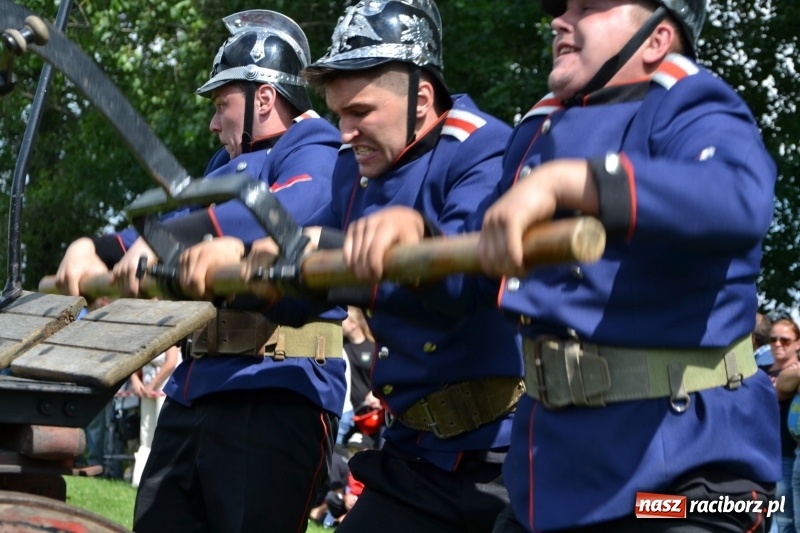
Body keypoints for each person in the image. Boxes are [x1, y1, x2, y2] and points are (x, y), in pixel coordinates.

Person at [336, 0, 781, 531]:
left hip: (687, 471)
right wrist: (418, 238)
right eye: (560, 7)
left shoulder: (691, 101)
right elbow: (472, 280)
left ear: (657, 39)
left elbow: (736, 198)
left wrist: (573, 183)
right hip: (552, 469)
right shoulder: (538, 131)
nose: (559, 20)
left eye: (588, 7)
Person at [54, 10, 346, 533]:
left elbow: (279, 212)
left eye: (221, 104)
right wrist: (95, 248)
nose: (214, 122)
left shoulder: (316, 144)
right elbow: (170, 223)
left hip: (274, 389)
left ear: (264, 97)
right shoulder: (222, 164)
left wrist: (160, 241)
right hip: (197, 388)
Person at [239, 1, 523, 530]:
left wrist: (414, 235)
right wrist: (255, 273)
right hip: (410, 456)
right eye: (339, 114)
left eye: (360, 112)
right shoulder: (354, 174)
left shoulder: (484, 150)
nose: (344, 132)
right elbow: (308, 287)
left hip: (501, 462)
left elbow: (462, 283)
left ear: (421, 97)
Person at [128, 343, 180, 488]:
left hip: (166, 388)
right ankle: (139, 480)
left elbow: (172, 361)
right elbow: (132, 358)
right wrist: (135, 379)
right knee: (146, 435)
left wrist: (153, 384)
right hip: (147, 388)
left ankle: (163, 482)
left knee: (163, 434)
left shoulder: (171, 332)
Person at [771, 317, 800, 533]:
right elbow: (781, 385)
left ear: (797, 343)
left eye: (785, 340)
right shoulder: (758, 366)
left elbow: (778, 390)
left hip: (788, 453)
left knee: (788, 522)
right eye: (773, 339)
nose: (778, 344)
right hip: (765, 454)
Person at [337, 306, 378, 445]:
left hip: (370, 415)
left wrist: (375, 393)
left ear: (354, 323)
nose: (338, 321)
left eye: (343, 319)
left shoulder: (373, 347)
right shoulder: (341, 347)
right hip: (349, 412)